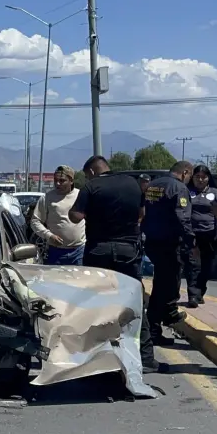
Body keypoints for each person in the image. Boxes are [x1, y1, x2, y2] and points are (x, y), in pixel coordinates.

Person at [69, 155, 159, 372]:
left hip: (99, 252)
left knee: (96, 304)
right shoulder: (132, 184)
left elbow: (76, 217)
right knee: (134, 303)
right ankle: (146, 358)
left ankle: (95, 358)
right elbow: (141, 214)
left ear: (91, 171)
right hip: (128, 251)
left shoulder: (91, 187)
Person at [141, 161, 194, 345]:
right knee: (166, 285)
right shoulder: (179, 188)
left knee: (161, 282)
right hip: (169, 243)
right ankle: (159, 323)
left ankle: (164, 317)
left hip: (152, 241)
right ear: (185, 172)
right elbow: (183, 216)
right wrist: (190, 239)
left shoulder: (153, 185)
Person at [184, 165, 217, 307]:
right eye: (197, 177)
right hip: (192, 234)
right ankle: (193, 295)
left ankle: (200, 292)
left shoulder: (215, 193)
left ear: (208, 178)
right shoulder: (188, 192)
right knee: (193, 265)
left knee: (207, 267)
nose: (200, 180)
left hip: (210, 235)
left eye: (203, 177)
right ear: (193, 178)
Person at [30, 165, 86, 265]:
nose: (57, 183)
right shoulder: (47, 198)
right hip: (55, 252)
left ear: (71, 181)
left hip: (79, 252)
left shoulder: (81, 195)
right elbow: (35, 221)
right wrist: (49, 235)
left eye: (62, 180)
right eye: (55, 180)